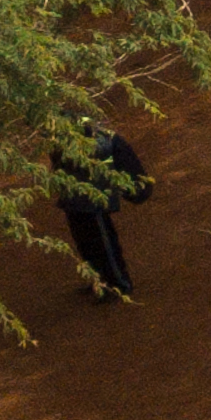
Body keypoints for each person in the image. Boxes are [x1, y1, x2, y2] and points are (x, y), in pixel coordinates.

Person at [59, 120, 152, 304]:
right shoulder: (59, 116)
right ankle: (99, 280)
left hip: (91, 181)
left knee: (99, 235)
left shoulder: (75, 120)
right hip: (76, 180)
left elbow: (102, 145)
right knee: (83, 235)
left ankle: (118, 284)